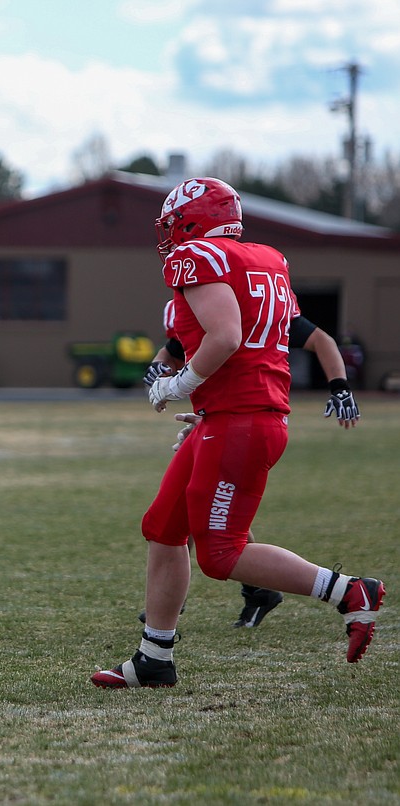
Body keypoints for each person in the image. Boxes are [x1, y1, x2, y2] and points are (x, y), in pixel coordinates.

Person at [91, 177, 384, 688]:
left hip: (241, 421)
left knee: (222, 553)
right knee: (163, 529)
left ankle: (348, 592)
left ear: (194, 220)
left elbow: (226, 335)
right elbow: (256, 341)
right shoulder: (266, 258)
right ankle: (154, 657)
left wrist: (180, 384)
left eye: (174, 223)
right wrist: (208, 405)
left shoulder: (197, 258)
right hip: (236, 414)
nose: (169, 235)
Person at [138, 298, 362, 628]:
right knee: (174, 518)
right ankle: (164, 633)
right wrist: (156, 371)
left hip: (247, 415)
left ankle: (343, 591)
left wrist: (339, 386)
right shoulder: (187, 301)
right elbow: (173, 349)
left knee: (216, 543)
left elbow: (319, 340)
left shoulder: (250, 298)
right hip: (219, 415)